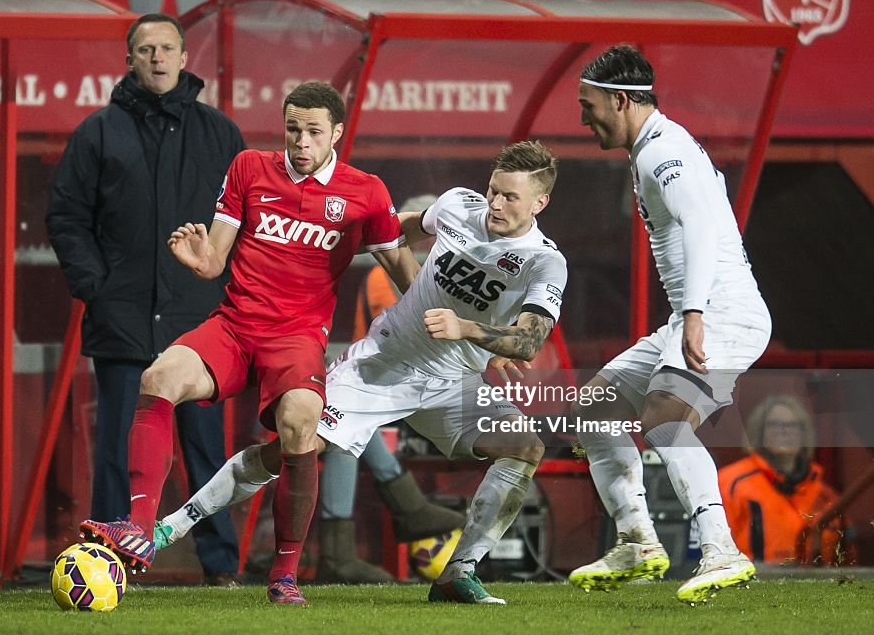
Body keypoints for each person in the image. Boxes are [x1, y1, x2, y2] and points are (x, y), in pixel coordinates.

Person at [152, 140, 569, 605]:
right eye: (493, 190)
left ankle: (458, 571)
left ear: (540, 202)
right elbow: (394, 231)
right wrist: (328, 246)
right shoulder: (458, 205)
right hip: (382, 365)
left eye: (510, 197)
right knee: (293, 448)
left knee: (524, 447)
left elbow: (530, 340)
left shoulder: (544, 261)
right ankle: (171, 527)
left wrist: (469, 329)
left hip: (455, 381)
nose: (495, 203)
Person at [78, 81, 419, 605]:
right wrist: (199, 262)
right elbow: (216, 259)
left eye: (312, 132)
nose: (300, 141)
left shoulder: (365, 192)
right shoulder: (249, 168)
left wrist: (441, 317)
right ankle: (138, 528)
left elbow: (402, 268)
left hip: (298, 336)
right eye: (292, 129)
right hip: (235, 325)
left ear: (337, 134)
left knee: (302, 421)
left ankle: (284, 575)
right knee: (158, 378)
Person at [567, 44, 772, 604]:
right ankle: (636, 541)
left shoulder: (665, 153)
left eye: (589, 105)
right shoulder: (653, 147)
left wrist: (696, 315)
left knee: (662, 418)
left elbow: (701, 227)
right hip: (693, 314)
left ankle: (721, 549)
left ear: (620, 99)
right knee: (593, 410)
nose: (583, 117)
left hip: (723, 314)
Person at [45, 13, 245, 586]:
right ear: (129, 59)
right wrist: (97, 289)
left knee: (207, 454)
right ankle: (106, 565)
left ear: (185, 58)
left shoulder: (222, 135)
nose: (157, 58)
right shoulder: (98, 132)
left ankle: (221, 569)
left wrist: (228, 290)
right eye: (145, 49)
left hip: (203, 324)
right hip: (122, 318)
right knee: (116, 452)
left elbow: (247, 223)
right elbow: (66, 217)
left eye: (167, 48)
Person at [317, 193, 464, 584]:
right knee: (347, 426)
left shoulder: (443, 274)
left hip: (393, 380)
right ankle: (404, 508)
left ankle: (401, 512)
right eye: (439, 233)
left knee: (349, 427)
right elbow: (413, 336)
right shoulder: (386, 275)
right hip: (386, 378)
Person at [719, 395, 852, 566]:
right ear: (759, 432)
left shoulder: (824, 495)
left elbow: (846, 560)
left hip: (814, 588)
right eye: (775, 424)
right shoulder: (730, 482)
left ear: (804, 434)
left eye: (792, 425)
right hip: (751, 587)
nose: (785, 431)